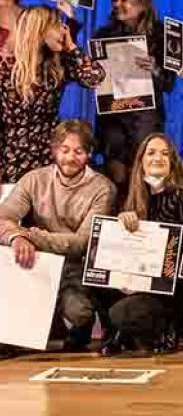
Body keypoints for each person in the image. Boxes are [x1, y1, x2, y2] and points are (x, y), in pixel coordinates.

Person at [0, 120, 116, 350]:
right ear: (54, 150)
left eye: (78, 151)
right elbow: (4, 217)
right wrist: (17, 238)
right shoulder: (34, 179)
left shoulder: (103, 188)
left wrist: (32, 236)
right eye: (64, 150)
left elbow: (81, 243)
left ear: (89, 154)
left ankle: (77, 327)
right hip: (35, 261)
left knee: (79, 314)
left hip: (75, 265)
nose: (70, 158)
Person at [101, 134, 183, 355]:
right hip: (136, 278)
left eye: (165, 154)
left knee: (124, 312)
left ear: (173, 162)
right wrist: (121, 224)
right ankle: (115, 334)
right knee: (95, 277)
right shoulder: (129, 196)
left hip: (170, 286)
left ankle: (168, 326)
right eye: (151, 152)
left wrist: (143, 280)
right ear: (141, 160)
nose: (158, 158)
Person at [0, 5, 104, 184]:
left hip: (49, 156)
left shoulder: (58, 64)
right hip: (12, 158)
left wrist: (71, 47)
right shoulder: (6, 68)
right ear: (40, 30)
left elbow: (95, 77)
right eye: (58, 25)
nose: (64, 30)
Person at [92, 0, 174, 194]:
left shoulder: (162, 35)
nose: (117, 4)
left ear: (142, 3)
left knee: (144, 179)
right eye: (115, 0)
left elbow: (168, 84)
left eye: (124, 0)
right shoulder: (103, 35)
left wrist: (154, 69)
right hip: (114, 117)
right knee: (116, 180)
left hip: (145, 118)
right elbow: (94, 79)